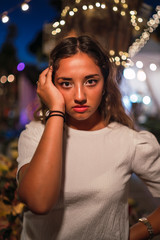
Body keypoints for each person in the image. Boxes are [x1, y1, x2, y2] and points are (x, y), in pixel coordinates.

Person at [16, 35, 160, 240]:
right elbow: (38, 201)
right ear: (51, 86)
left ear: (104, 83)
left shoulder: (129, 141)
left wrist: (135, 233)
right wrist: (56, 110)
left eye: (91, 81)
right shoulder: (36, 135)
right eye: (66, 84)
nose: (80, 96)